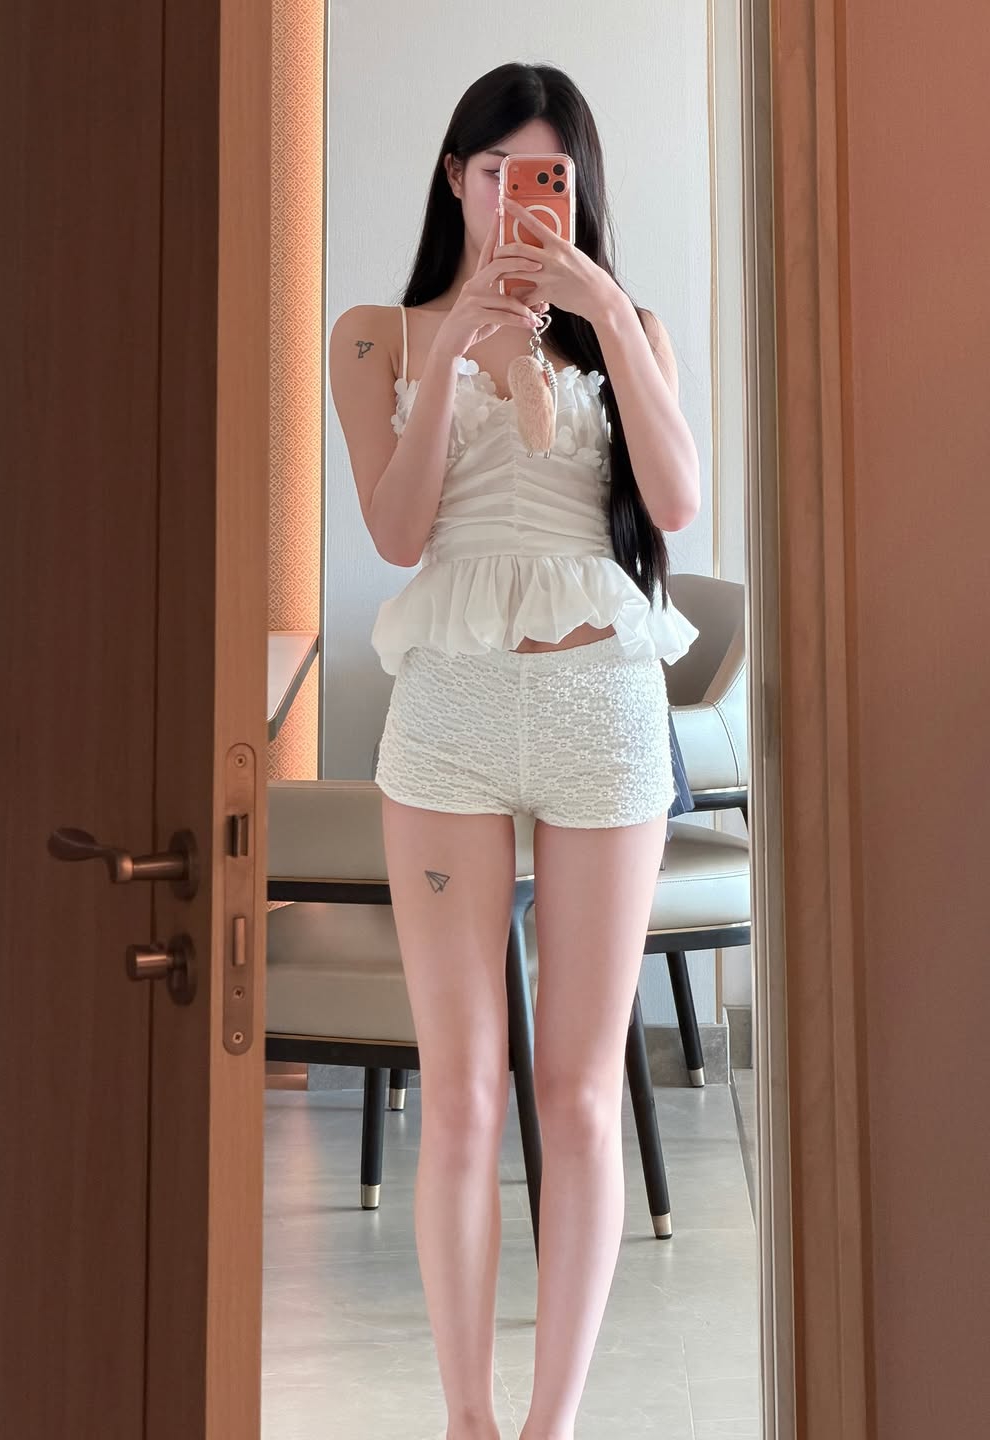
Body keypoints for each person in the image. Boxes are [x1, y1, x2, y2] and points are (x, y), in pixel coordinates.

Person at [329, 61, 701, 1440]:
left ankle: (551, 1424)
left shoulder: (628, 327)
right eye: (496, 174)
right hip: (451, 721)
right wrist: (450, 358)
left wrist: (598, 313)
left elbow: (676, 502)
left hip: (604, 707)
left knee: (581, 1092)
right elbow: (397, 533)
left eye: (547, 178)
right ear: (456, 179)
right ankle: (466, 1420)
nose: (518, 201)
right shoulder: (377, 335)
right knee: (464, 1090)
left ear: (579, 190)